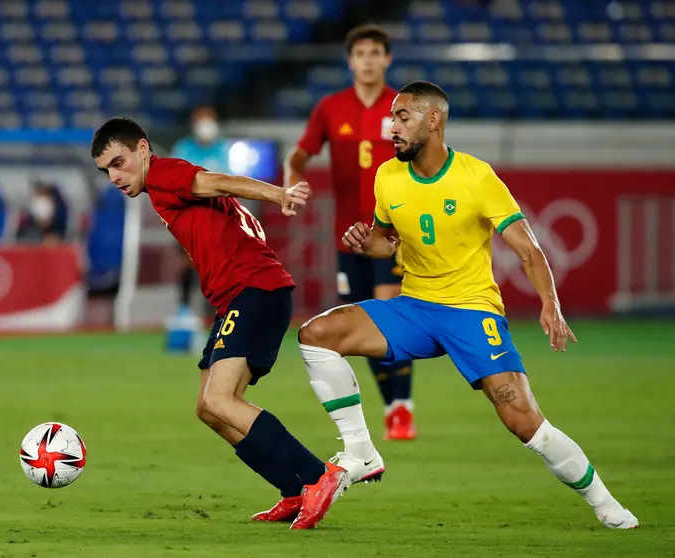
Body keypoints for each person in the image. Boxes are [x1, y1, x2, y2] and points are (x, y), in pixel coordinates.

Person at [296, 81, 639, 529]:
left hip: (472, 311)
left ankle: (604, 502)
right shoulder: (387, 176)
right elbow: (387, 242)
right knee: (316, 334)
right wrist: (367, 243)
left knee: (523, 420)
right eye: (392, 118)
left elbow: (529, 249)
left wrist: (549, 304)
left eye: (403, 117)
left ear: (433, 119)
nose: (391, 127)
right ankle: (361, 450)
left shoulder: (476, 176)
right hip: (415, 306)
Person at [91, 117, 349, 530]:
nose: (115, 177)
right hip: (239, 296)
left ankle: (319, 475)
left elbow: (223, 181)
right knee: (208, 409)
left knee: (220, 400)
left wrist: (277, 193)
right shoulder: (162, 187)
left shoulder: (164, 174)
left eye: (119, 163)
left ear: (142, 149)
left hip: (252, 291)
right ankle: (292, 489)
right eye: (107, 171)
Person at [285, 24, 416, 442]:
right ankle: (393, 405)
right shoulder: (331, 108)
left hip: (393, 230)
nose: (368, 60)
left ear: (387, 59)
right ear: (350, 61)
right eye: (360, 53)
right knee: (363, 326)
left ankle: (402, 408)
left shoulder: (403, 107)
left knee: (386, 309)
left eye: (376, 52)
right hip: (348, 235)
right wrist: (290, 185)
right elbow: (300, 154)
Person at [170, 106, 232, 316]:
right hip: (187, 217)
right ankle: (184, 311)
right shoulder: (183, 149)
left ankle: (218, 312)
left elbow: (228, 183)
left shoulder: (224, 149)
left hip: (216, 218)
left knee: (217, 267)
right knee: (188, 264)